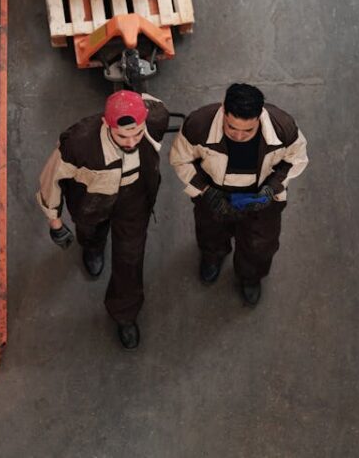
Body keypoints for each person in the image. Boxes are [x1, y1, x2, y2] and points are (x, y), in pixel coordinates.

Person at [36, 90, 169, 350]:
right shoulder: (78, 144)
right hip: (92, 204)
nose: (131, 142)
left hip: (134, 201)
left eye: (137, 134)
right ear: (107, 125)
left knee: (130, 259)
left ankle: (125, 314)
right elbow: (51, 179)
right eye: (123, 136)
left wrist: (133, 89)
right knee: (91, 233)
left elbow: (153, 102)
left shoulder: (155, 119)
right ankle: (93, 246)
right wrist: (55, 222)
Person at [169, 83, 308, 306]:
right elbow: (181, 160)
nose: (239, 136)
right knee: (210, 232)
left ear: (260, 117)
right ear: (224, 110)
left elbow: (296, 159)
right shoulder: (198, 125)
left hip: (262, 199)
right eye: (232, 127)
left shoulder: (284, 127)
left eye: (248, 131)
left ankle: (250, 276)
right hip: (213, 194)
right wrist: (206, 191)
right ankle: (213, 257)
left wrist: (272, 187)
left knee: (260, 243)